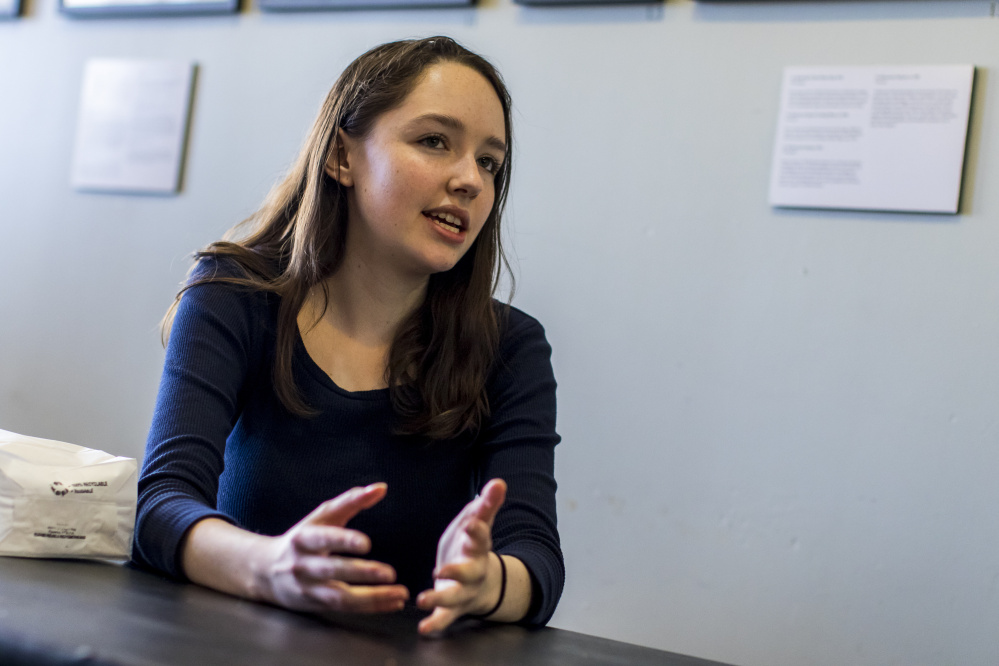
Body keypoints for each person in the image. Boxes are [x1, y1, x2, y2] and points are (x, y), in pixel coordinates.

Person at [132, 36, 563, 634]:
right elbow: (160, 510)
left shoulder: (510, 347)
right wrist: (271, 566)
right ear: (342, 158)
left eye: (489, 162)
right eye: (435, 141)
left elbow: (536, 559)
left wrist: (489, 581)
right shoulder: (234, 296)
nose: (470, 180)